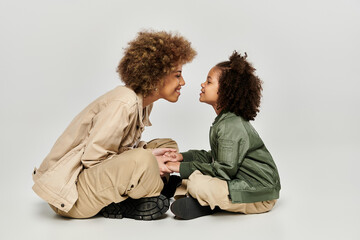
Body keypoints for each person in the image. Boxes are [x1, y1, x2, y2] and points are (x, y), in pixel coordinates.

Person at [32, 30, 196, 220]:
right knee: (143, 160)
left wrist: (152, 155)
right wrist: (148, 160)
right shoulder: (124, 102)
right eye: (177, 75)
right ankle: (138, 199)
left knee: (166, 147)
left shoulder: (144, 102)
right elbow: (93, 160)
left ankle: (148, 193)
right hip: (73, 196)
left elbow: (121, 148)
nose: (182, 82)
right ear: (156, 76)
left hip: (94, 180)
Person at [165, 51, 281, 220]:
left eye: (209, 81)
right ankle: (198, 198)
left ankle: (200, 200)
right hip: (241, 185)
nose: (202, 84)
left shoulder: (230, 125)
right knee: (195, 177)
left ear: (226, 90)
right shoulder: (225, 121)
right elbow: (214, 157)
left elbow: (223, 171)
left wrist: (179, 168)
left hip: (259, 195)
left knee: (197, 183)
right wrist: (182, 157)